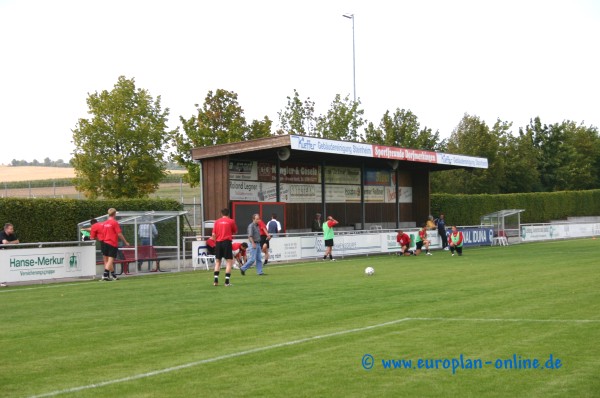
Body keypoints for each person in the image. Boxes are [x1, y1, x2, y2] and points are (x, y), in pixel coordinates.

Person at [99, 208, 130, 281]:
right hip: (112, 243)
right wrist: (125, 242)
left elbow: (102, 233)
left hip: (105, 242)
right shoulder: (114, 222)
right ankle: (105, 274)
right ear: (115, 214)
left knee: (108, 261)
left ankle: (113, 275)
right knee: (110, 260)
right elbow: (119, 234)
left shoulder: (105, 223)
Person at [211, 208, 238, 286]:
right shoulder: (231, 221)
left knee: (218, 262)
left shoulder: (217, 221)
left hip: (218, 243)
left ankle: (215, 281)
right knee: (229, 262)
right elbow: (235, 231)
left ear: (221, 214)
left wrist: (216, 242)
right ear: (228, 214)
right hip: (227, 242)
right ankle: (227, 282)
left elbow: (213, 235)